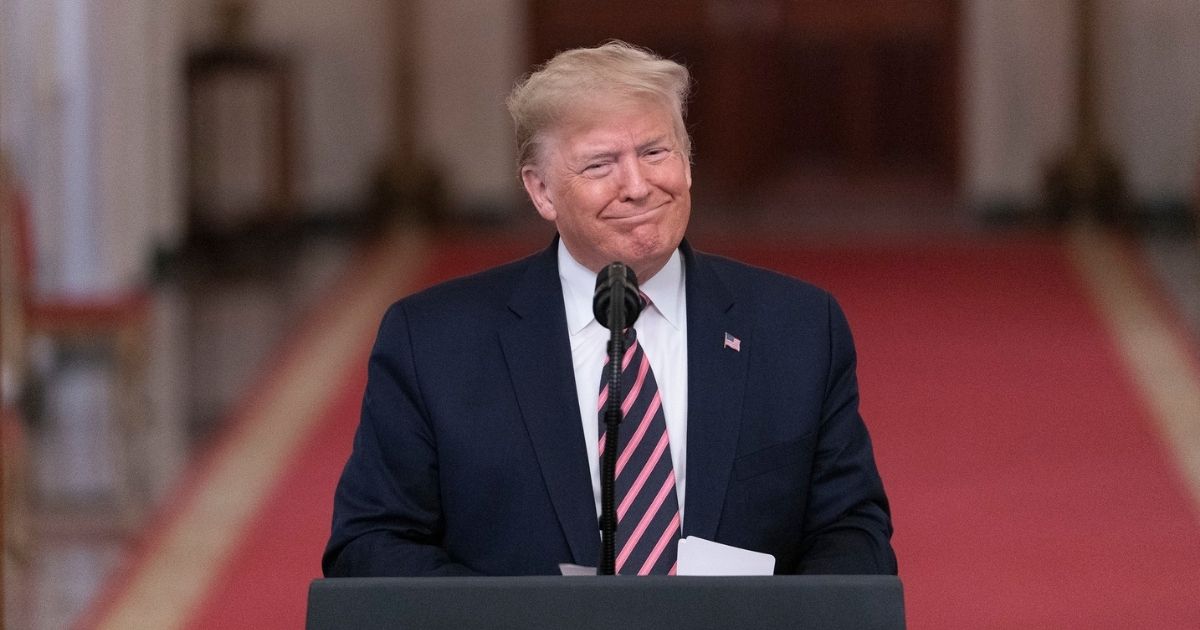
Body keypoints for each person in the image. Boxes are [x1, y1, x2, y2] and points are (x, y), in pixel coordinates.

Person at [323, 41, 896, 577]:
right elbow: (371, 544)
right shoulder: (433, 342)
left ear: (688, 163)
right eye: (600, 164)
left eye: (655, 152)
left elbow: (852, 535)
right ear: (541, 190)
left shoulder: (796, 328)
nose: (638, 185)